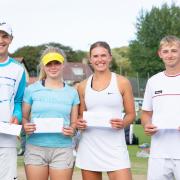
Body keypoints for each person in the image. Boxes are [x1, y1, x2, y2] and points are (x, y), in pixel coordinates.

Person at [75, 41, 135, 180]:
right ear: (90, 59)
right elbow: (80, 116)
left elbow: (131, 114)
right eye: (95, 56)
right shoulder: (82, 86)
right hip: (90, 147)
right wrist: (80, 123)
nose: (100, 59)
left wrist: (123, 122)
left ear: (110, 57)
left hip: (115, 148)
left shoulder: (122, 82)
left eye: (103, 55)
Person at [22, 46, 79, 180]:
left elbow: (74, 122)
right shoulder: (31, 90)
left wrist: (72, 129)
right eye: (49, 63)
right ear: (43, 66)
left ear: (63, 64)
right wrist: (26, 126)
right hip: (35, 148)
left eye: (57, 63)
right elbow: (24, 117)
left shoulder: (72, 93)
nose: (53, 67)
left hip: (63, 149)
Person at [141, 35, 180, 180]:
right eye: (166, 51)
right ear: (160, 54)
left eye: (174, 50)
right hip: (159, 153)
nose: (170, 55)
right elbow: (146, 114)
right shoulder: (153, 81)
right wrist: (147, 125)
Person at [0, 21, 26, 180]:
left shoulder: (18, 70)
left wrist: (17, 116)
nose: (1, 40)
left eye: (5, 36)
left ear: (11, 39)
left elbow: (18, 100)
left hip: (7, 134)